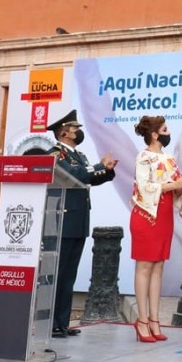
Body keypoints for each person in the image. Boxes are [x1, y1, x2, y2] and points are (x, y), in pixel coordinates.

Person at [47, 109, 118, 338]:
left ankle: (63, 322)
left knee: (69, 276)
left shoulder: (79, 155)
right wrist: (98, 166)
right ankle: (52, 323)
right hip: (62, 220)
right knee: (58, 275)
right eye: (75, 129)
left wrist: (105, 170)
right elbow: (74, 175)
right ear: (64, 132)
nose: (78, 132)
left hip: (78, 221)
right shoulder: (56, 153)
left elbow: (89, 178)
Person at [130, 116, 182, 342]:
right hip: (146, 215)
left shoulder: (169, 159)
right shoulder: (144, 157)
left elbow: (174, 187)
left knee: (158, 266)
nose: (169, 133)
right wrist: (174, 185)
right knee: (144, 266)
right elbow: (144, 186)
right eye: (165, 129)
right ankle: (141, 320)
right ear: (155, 134)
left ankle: (154, 319)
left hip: (164, 216)